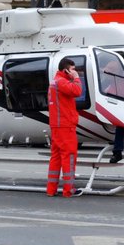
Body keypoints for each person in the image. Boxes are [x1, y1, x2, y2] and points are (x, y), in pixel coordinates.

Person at [46, 58, 82, 198]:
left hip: (57, 125)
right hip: (65, 126)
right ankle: (69, 190)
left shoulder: (55, 82)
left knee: (56, 157)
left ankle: (51, 189)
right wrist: (77, 79)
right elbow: (77, 91)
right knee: (69, 157)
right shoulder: (61, 82)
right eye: (72, 70)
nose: (75, 72)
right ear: (65, 70)